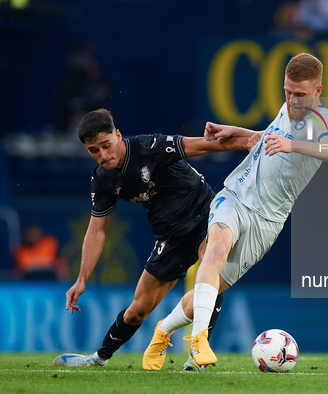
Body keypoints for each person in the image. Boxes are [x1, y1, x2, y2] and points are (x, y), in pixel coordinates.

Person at [143, 53, 328, 371]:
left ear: (318, 91)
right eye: (287, 91)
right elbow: (265, 139)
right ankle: (198, 342)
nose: (292, 99)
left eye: (300, 94)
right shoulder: (288, 105)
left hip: (268, 221)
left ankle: (162, 331)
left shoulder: (323, 121)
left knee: (204, 294)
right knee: (216, 249)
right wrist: (235, 132)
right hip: (236, 197)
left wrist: (293, 146)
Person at [53, 109, 250, 368]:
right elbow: (97, 230)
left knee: (210, 268)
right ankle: (98, 359)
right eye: (93, 150)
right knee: (137, 310)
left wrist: (253, 138)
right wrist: (81, 279)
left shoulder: (149, 147)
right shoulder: (102, 179)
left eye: (106, 145)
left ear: (118, 135)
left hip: (205, 216)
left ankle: (197, 354)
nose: (103, 155)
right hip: (169, 236)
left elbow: (205, 145)